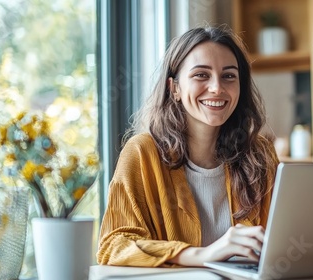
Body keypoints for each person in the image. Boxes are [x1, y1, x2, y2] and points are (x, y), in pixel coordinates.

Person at [97, 25, 279, 268]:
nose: (217, 87)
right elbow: (113, 245)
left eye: (228, 76)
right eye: (201, 75)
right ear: (175, 88)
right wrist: (203, 254)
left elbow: (282, 238)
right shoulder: (142, 153)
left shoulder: (260, 155)